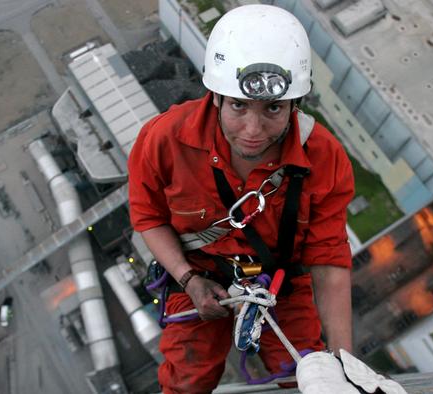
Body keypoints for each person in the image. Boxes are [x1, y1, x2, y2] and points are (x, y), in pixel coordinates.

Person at [128, 4, 354, 393]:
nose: (253, 130)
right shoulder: (165, 139)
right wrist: (189, 279)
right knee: (186, 381)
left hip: (281, 285)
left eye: (273, 108)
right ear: (215, 96)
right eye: (238, 106)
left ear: (294, 104)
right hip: (198, 273)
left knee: (306, 378)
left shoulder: (323, 158)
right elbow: (148, 217)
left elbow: (328, 260)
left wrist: (345, 365)